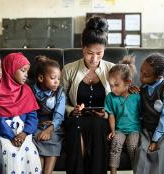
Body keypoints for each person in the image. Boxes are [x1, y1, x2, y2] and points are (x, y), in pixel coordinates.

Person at [61, 16, 114, 174]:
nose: (94, 59)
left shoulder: (112, 69)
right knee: (76, 126)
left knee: (98, 126)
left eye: (100, 53)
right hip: (76, 117)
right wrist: (72, 110)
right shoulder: (69, 69)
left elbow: (119, 99)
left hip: (102, 119)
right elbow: (59, 100)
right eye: (90, 53)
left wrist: (107, 112)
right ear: (82, 48)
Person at [0, 53, 41, 174]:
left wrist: (24, 134)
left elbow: (32, 117)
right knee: (10, 152)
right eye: (23, 70)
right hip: (5, 133)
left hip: (24, 132)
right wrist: (12, 137)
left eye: (27, 71)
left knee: (29, 151)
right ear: (10, 70)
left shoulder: (26, 91)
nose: (26, 75)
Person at [133, 53, 164, 174]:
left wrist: (155, 140)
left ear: (158, 77)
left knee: (161, 151)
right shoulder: (143, 88)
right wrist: (131, 92)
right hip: (147, 129)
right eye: (141, 71)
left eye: (146, 75)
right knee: (142, 150)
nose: (141, 77)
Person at [105, 56, 141, 174]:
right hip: (119, 130)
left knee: (132, 146)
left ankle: (137, 171)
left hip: (134, 130)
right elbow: (111, 115)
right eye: (110, 85)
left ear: (128, 83)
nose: (112, 88)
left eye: (116, 85)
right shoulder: (110, 97)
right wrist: (113, 130)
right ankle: (113, 172)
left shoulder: (137, 96)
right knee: (115, 144)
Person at [32, 56, 65, 174]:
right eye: (53, 78)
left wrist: (49, 130)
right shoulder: (31, 91)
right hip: (35, 125)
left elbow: (59, 115)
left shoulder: (60, 92)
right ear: (41, 78)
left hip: (53, 125)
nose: (57, 82)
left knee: (54, 139)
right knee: (36, 139)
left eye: (59, 79)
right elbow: (29, 113)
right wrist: (36, 127)